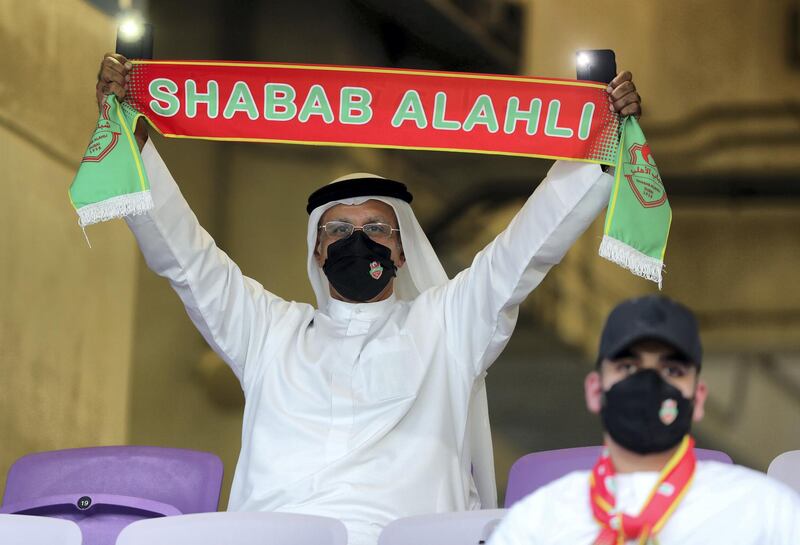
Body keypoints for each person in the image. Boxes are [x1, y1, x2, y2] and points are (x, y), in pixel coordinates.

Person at [95, 53, 642, 545]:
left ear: (402, 252)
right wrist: (135, 144)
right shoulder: (269, 332)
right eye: (338, 230)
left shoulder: (446, 326)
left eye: (376, 227)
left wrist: (596, 143)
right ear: (316, 252)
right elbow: (188, 262)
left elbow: (524, 253)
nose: (358, 241)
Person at [488, 295, 800, 545]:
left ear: (699, 398)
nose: (648, 383)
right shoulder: (537, 521)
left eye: (672, 370)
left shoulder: (766, 512)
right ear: (595, 390)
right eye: (627, 367)